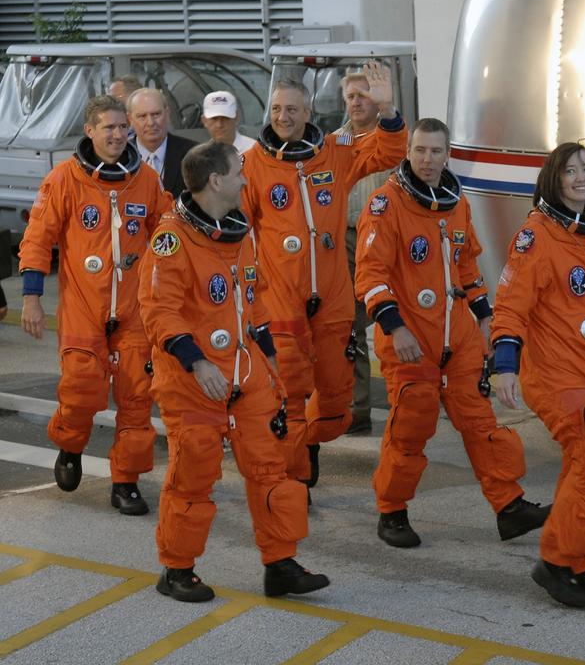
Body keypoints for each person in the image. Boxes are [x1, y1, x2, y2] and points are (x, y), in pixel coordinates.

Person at [138, 140, 328, 601]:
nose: (247, 179)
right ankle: (176, 570)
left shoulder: (237, 233)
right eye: (238, 172)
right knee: (194, 475)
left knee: (271, 469)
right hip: (194, 381)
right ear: (216, 181)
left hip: (246, 377)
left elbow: (254, 303)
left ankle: (280, 563)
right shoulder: (171, 240)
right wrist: (197, 361)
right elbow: (159, 311)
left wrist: (273, 363)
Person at [354, 117, 548, 547]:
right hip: (409, 339)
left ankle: (509, 506)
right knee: (410, 428)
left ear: (447, 155)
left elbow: (466, 266)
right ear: (408, 152)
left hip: (456, 336)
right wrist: (395, 328)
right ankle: (392, 511)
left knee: (481, 423)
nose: (427, 159)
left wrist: (483, 316)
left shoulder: (456, 204)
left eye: (436, 151)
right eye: (420, 150)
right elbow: (370, 275)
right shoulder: (386, 205)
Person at [241, 66, 405, 491]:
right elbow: (236, 228)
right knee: (291, 392)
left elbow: (389, 151)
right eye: (276, 109)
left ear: (308, 111)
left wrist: (386, 107)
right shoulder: (253, 165)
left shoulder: (335, 151)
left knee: (337, 400)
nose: (283, 116)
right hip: (280, 295)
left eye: (292, 108)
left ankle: (309, 441)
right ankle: (294, 476)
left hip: (332, 294)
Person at [17, 95, 165, 515]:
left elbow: (168, 234)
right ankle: (70, 444)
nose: (118, 135)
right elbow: (38, 238)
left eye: (123, 127)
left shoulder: (146, 181)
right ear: (90, 131)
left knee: (137, 398)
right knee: (81, 391)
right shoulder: (64, 179)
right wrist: (32, 299)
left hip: (134, 311)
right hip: (85, 306)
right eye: (109, 128)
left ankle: (126, 481)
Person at [490, 143, 585, 608]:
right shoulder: (537, 236)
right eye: (570, 171)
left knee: (582, 467)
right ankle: (555, 561)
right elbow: (510, 304)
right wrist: (504, 365)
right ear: (554, 178)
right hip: (553, 375)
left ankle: (573, 564)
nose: (580, 177)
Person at [335, 66, 397, 435]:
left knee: (396, 324)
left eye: (364, 95)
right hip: (345, 239)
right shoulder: (333, 142)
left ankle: (411, 399)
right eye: (351, 97)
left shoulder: (397, 140)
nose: (357, 103)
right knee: (349, 326)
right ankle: (356, 408)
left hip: (387, 242)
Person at [127, 88, 197, 198]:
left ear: (167, 114)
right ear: (130, 119)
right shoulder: (119, 156)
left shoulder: (194, 154)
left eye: (156, 114)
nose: (150, 123)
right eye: (142, 116)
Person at [201, 91, 258, 155]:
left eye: (225, 118)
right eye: (214, 118)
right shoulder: (201, 155)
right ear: (204, 121)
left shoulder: (256, 151)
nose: (219, 124)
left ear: (236, 117)